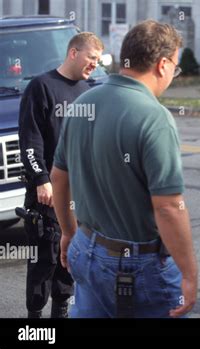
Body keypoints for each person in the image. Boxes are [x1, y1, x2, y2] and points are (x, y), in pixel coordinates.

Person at [51, 20, 198, 318]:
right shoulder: (154, 117)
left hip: (86, 246)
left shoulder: (83, 102)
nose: (173, 75)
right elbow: (169, 207)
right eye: (176, 68)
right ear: (162, 64)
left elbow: (58, 177)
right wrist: (189, 272)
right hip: (137, 265)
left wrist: (68, 231)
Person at [18, 32, 104, 319]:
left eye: (98, 60)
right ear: (73, 53)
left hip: (79, 192)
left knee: (70, 259)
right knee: (44, 259)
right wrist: (41, 178)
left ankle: (61, 314)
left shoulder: (88, 91)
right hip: (47, 192)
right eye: (92, 57)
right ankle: (34, 320)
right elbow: (30, 139)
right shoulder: (41, 86)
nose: (95, 64)